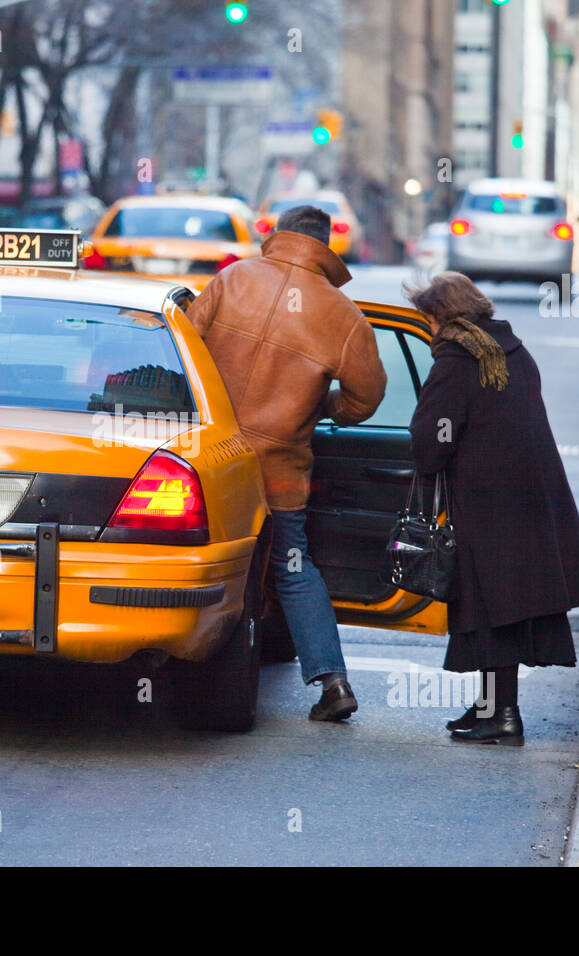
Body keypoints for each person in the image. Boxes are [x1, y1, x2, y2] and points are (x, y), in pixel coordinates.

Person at [186, 205, 387, 722]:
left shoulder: (233, 278)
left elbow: (185, 349)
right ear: (326, 245)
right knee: (294, 570)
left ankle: (183, 663)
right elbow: (368, 397)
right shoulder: (343, 315)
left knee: (206, 563)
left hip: (212, 461)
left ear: (280, 236)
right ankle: (332, 681)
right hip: (280, 469)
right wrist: (322, 407)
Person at [406, 272, 579, 746]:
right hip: (534, 496)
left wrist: (429, 456)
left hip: (486, 501)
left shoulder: (456, 359)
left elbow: (434, 436)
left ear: (440, 317)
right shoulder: (513, 350)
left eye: (426, 320)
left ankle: (504, 715)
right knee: (506, 605)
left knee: (489, 606)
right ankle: (490, 704)